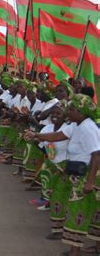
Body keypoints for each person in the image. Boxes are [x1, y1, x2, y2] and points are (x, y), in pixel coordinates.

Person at [25, 94, 100, 256]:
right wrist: (37, 135)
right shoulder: (76, 124)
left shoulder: (88, 128)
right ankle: (87, 247)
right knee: (90, 210)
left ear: (80, 111)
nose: (68, 111)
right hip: (77, 172)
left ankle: (75, 250)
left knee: (78, 209)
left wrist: (90, 181)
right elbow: (58, 136)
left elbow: (96, 155)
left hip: (89, 174)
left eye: (71, 109)